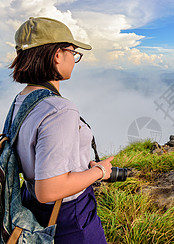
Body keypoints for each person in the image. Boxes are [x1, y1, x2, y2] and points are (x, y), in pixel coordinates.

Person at [8, 17, 112, 243]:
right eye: (73, 53)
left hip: (31, 201)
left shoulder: (22, 100)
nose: (74, 60)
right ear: (57, 55)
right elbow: (50, 189)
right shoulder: (58, 109)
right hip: (67, 214)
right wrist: (100, 172)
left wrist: (83, 165)